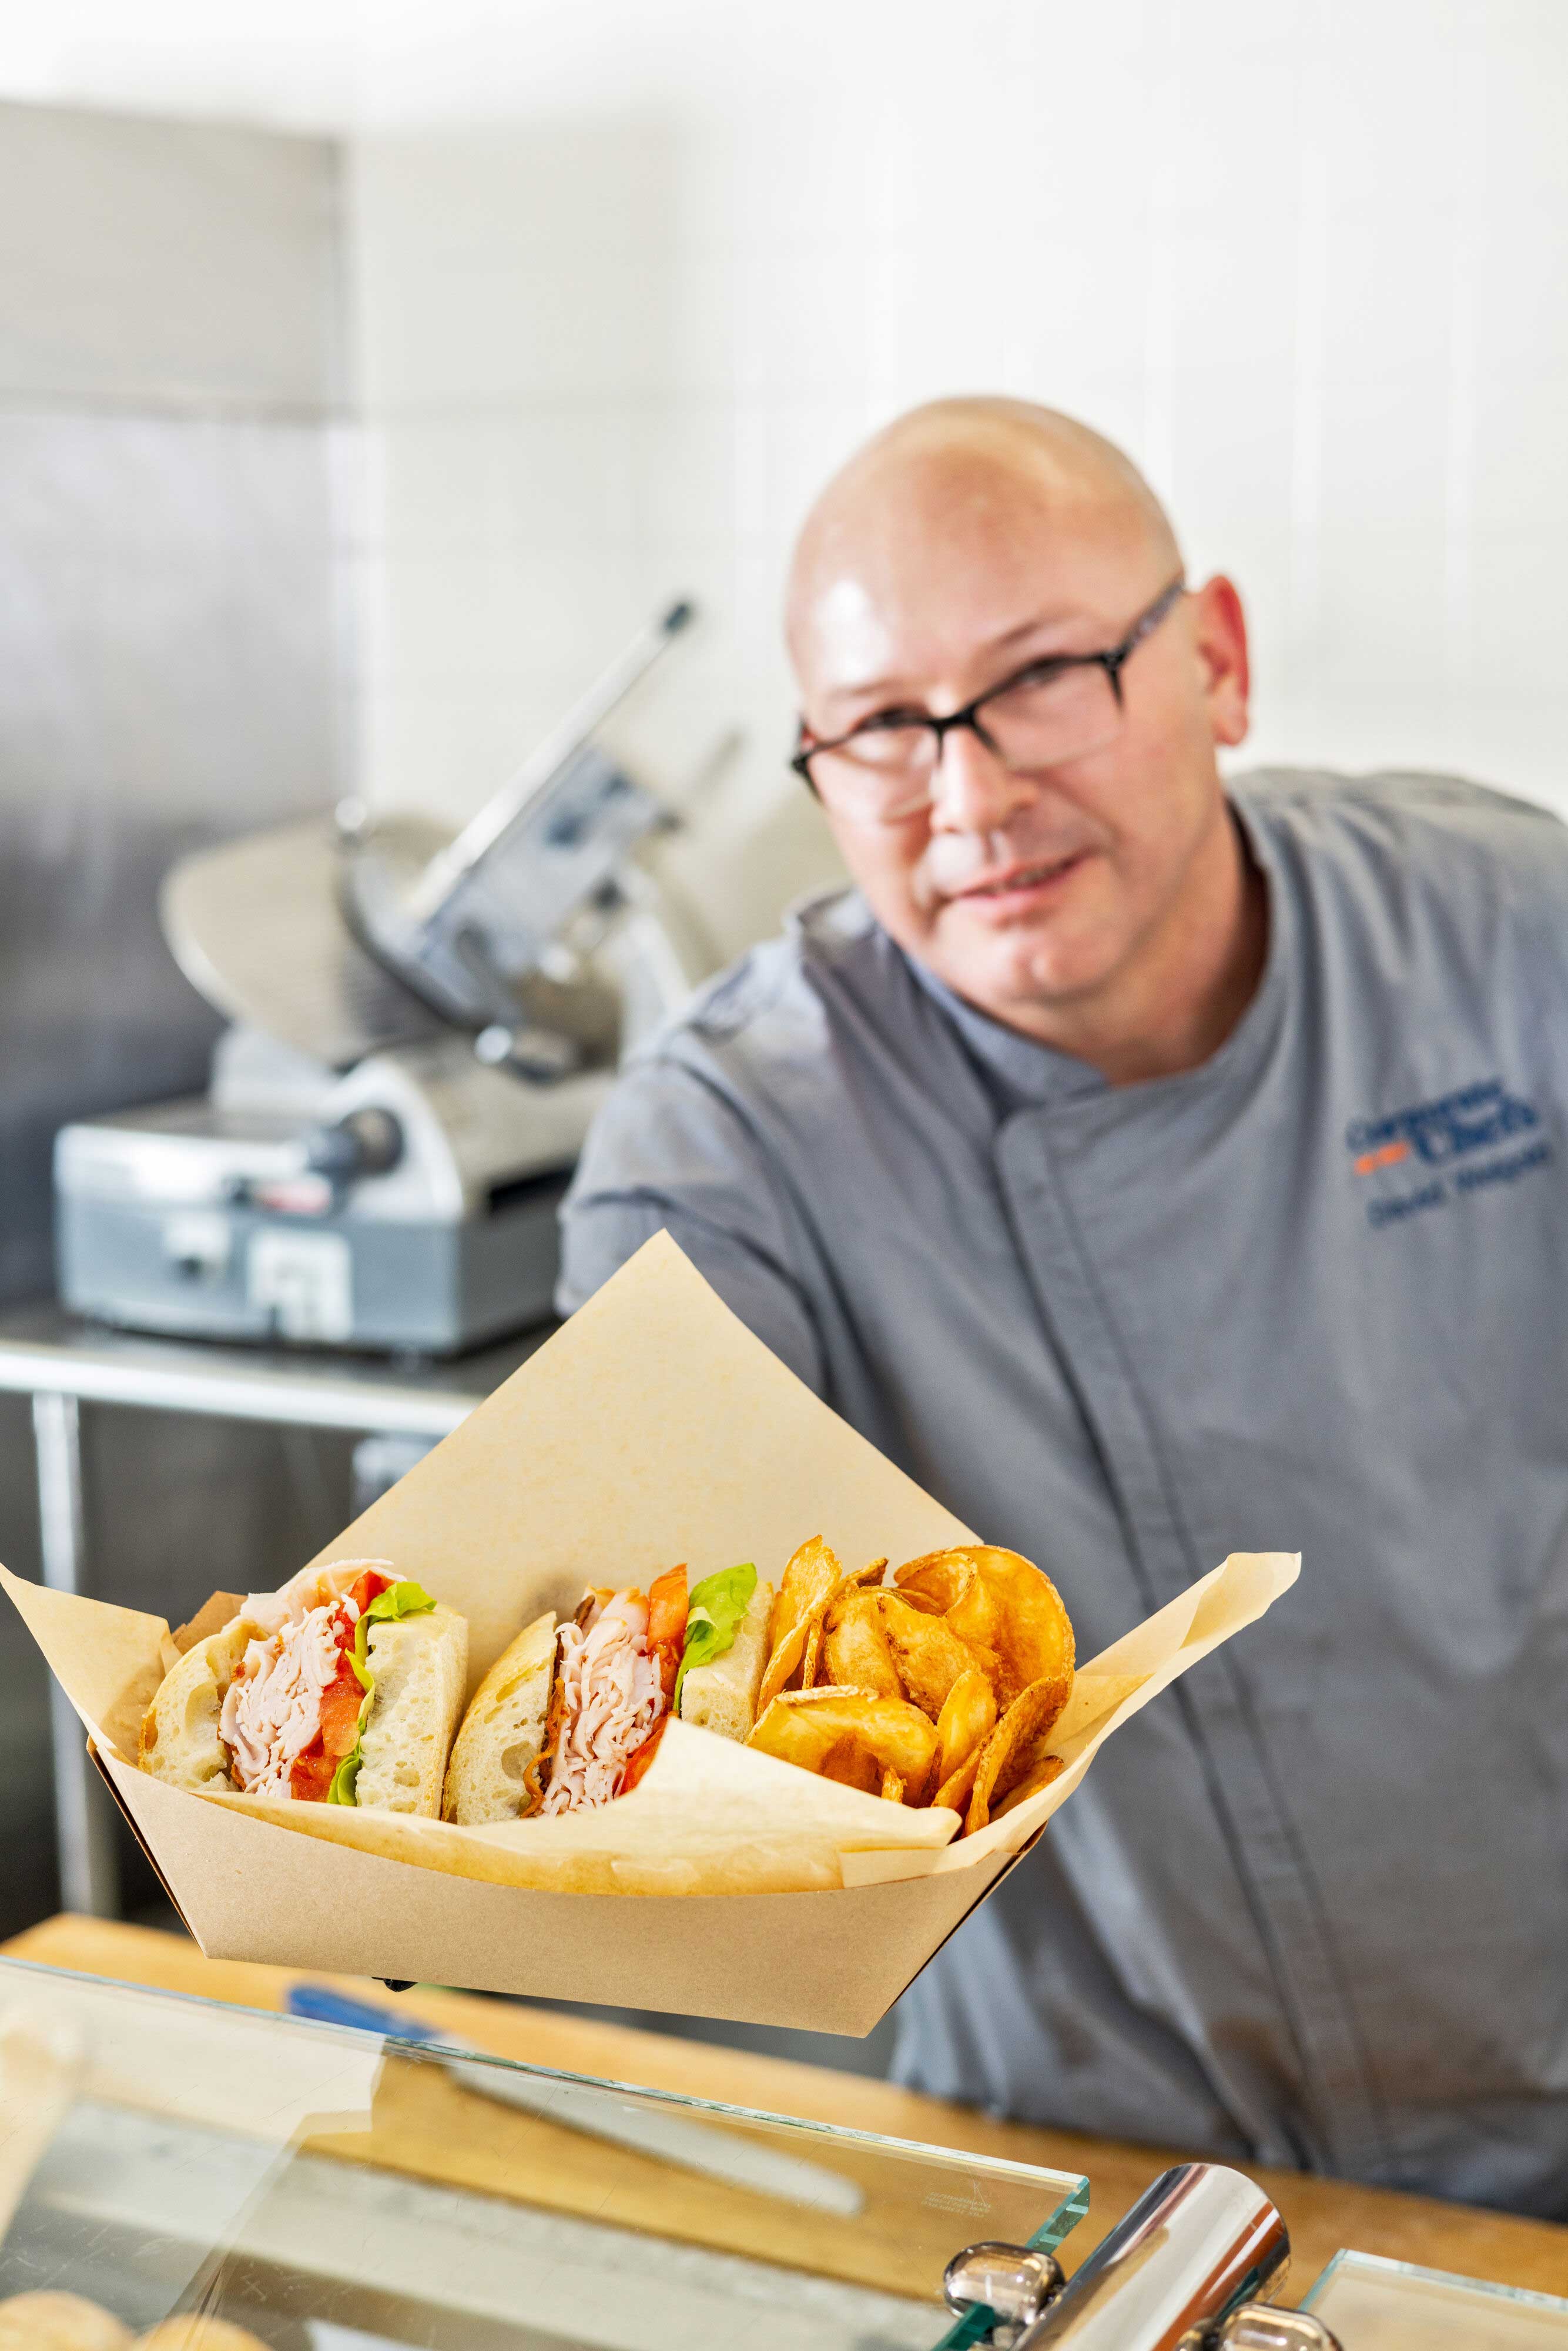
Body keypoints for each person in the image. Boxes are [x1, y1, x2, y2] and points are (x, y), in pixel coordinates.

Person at [558, 397, 1568, 2216]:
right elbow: (636, 1603)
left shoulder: (1512, 936)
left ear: (1219, 664)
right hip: (1073, 2180)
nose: (970, 799)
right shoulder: (728, 1134)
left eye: (1041, 680)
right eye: (879, 727)